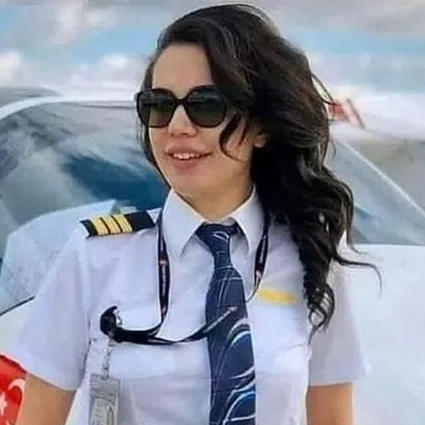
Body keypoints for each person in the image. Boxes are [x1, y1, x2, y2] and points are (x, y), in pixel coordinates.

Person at [12, 4, 375, 425]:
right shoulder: (95, 256)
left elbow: (333, 418)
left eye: (206, 105)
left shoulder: (311, 255)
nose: (178, 125)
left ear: (261, 126)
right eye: (159, 105)